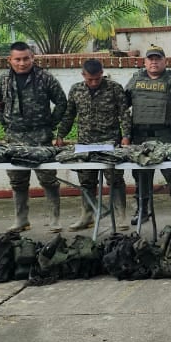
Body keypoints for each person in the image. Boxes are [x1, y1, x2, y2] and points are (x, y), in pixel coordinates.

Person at [0, 42, 67, 232]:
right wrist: (5, 121)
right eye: (17, 59)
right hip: (14, 138)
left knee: (48, 179)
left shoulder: (45, 78)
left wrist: (51, 123)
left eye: (26, 58)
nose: (22, 63)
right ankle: (21, 219)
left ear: (33, 58)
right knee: (17, 180)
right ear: (10, 60)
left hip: (40, 138)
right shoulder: (3, 81)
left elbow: (61, 102)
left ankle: (54, 218)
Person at [55, 59, 129, 232]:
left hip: (110, 142)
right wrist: (60, 135)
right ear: (83, 75)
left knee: (115, 179)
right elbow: (69, 115)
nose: (94, 83)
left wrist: (126, 136)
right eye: (90, 79)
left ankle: (121, 215)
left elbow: (124, 114)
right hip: (85, 143)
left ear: (102, 73)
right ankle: (87, 215)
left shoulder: (114, 88)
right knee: (86, 180)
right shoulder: (76, 90)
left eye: (97, 78)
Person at [124, 44, 171, 223]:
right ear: (145, 62)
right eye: (151, 59)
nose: (154, 62)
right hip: (141, 135)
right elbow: (123, 104)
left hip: (167, 135)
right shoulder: (134, 80)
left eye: (158, 58)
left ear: (165, 61)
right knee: (141, 175)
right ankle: (142, 210)